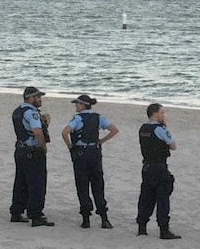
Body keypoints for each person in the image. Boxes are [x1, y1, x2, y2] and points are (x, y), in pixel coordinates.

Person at [61, 94, 119, 229]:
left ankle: (86, 218)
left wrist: (70, 147)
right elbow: (114, 130)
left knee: (82, 185)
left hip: (81, 153)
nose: (76, 106)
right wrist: (100, 142)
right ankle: (104, 218)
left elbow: (64, 132)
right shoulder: (98, 117)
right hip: (95, 152)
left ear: (82, 105)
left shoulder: (77, 118)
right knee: (98, 184)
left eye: (77, 104)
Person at [9, 86, 54, 227]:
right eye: (37, 97)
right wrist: (43, 146)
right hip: (32, 151)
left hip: (20, 150)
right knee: (37, 184)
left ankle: (16, 212)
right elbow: (37, 132)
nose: (40, 99)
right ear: (30, 98)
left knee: (21, 182)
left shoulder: (17, 111)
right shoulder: (32, 113)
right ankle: (35, 216)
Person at [136, 103, 181, 239]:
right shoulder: (159, 130)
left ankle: (142, 227)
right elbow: (173, 146)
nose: (163, 115)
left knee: (146, 197)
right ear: (155, 114)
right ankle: (164, 230)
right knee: (162, 197)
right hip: (159, 166)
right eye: (162, 113)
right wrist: (165, 128)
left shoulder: (143, 128)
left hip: (147, 167)